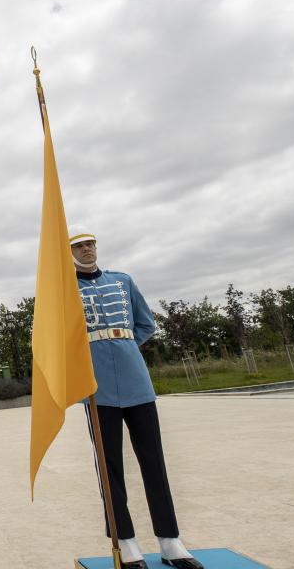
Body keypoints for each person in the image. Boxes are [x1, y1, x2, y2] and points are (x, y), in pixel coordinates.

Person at [70, 226, 204, 569]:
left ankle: (170, 541)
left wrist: (123, 347)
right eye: (79, 246)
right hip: (97, 388)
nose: (86, 249)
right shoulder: (65, 290)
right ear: (70, 252)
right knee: (109, 467)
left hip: (136, 381)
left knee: (153, 461)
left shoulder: (122, 281)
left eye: (90, 244)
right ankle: (126, 543)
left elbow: (145, 324)